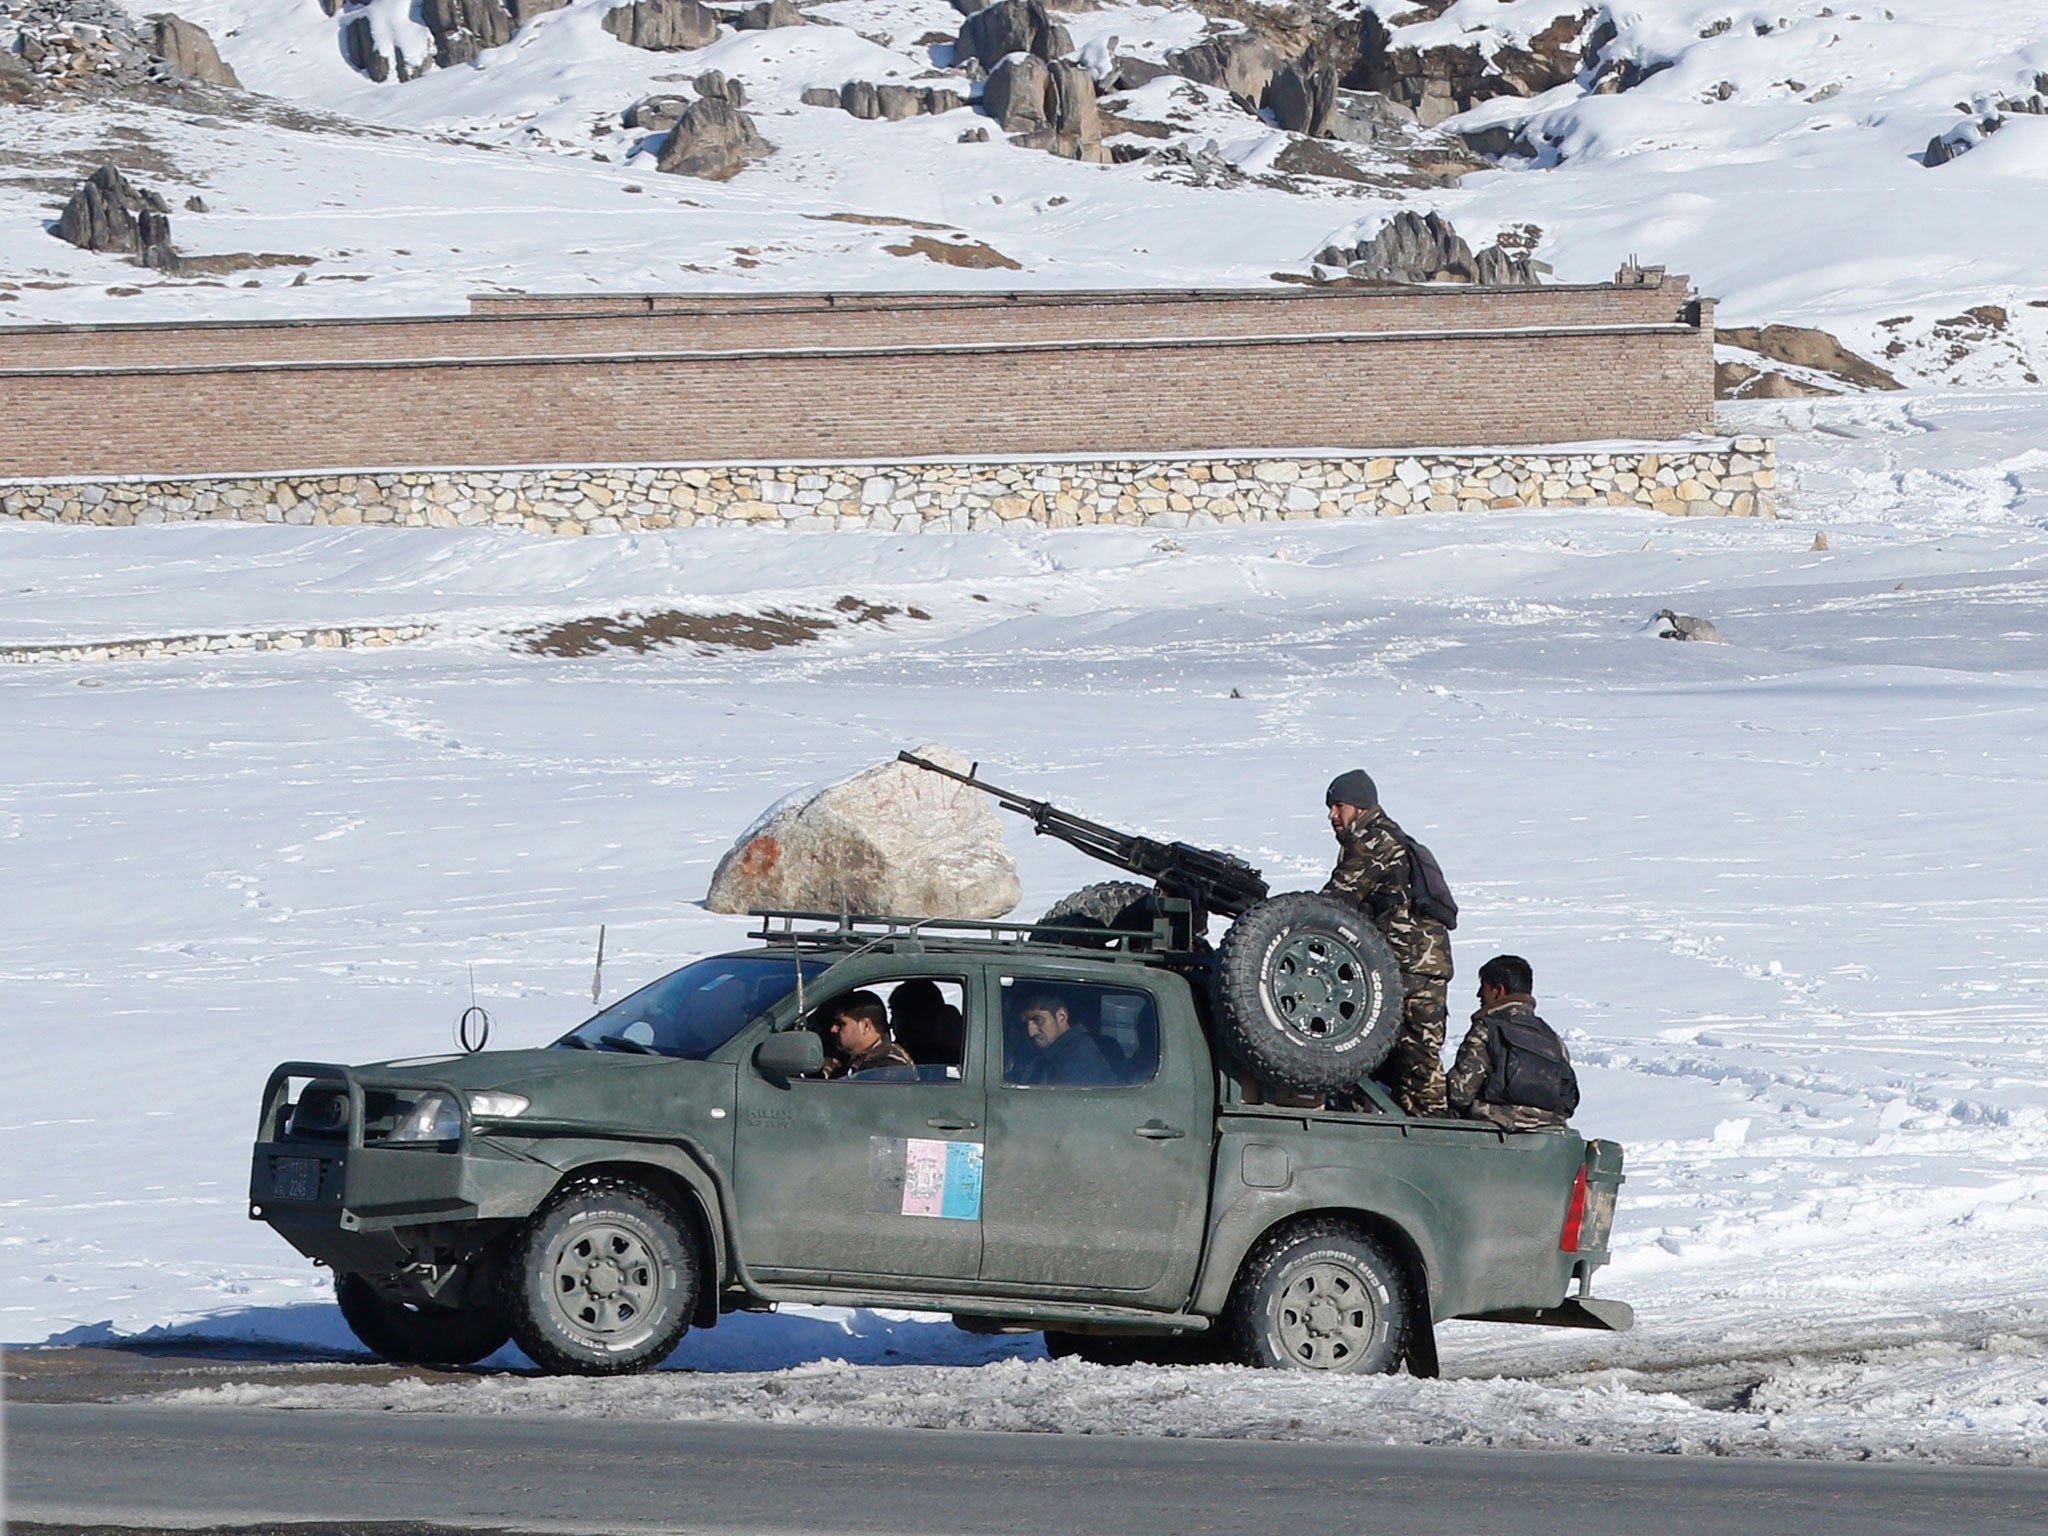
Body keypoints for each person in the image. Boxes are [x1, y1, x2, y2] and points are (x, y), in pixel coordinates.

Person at [1320, 768, 1454, 1118]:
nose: (1333, 816)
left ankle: (1439, 1138)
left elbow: (1336, 900)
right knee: (1409, 1062)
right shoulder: (1382, 837)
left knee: (1417, 1066)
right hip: (1413, 964)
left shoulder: (1375, 840)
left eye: (1339, 806)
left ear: (1361, 807)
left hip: (1411, 965)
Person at [1446, 955, 1579, 1131]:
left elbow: (1460, 1093)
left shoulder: (1487, 1029)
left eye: (1483, 987)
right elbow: (1567, 1098)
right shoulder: (1552, 1038)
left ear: (1498, 990)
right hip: (1547, 1136)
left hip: (1493, 1132)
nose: (1479, 994)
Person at [1012, 989, 1115, 1086]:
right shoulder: (1052, 1053)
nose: (1031, 1032)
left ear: (1061, 1016)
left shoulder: (1078, 1058)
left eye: (1038, 1019)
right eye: (1026, 1024)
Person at [821, 991, 916, 1078]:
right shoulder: (862, 1059)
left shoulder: (886, 1068)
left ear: (865, 1026)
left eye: (841, 1024)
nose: (833, 1029)